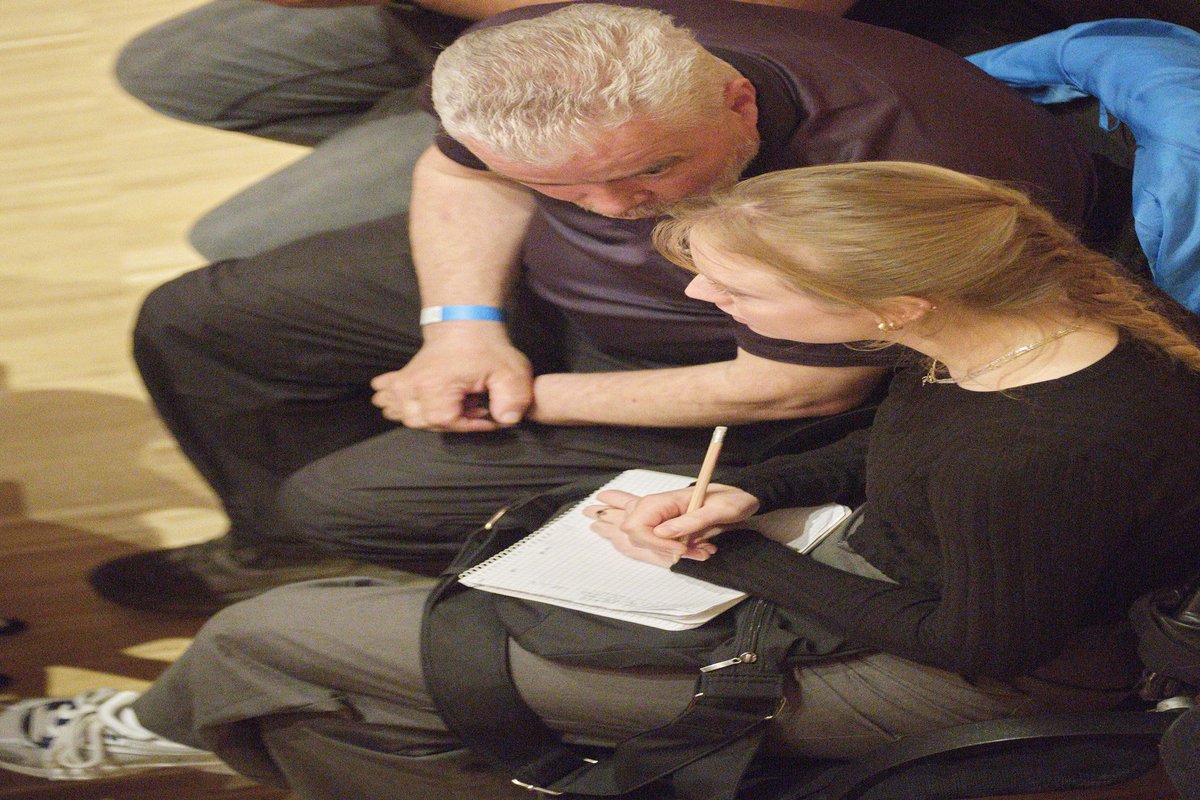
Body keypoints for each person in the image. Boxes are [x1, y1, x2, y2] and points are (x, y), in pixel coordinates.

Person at [6, 162, 1199, 797]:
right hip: (880, 578)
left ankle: (152, 726)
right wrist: (749, 494)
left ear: (898, 305)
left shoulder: (1039, 439)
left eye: (737, 288)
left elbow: (981, 642)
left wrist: (742, 554)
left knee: (270, 634)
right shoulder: (1025, 326)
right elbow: (900, 452)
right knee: (325, 703)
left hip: (950, 679)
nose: (703, 297)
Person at [90, 1, 1099, 615]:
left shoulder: (893, 164)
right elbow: (464, 174)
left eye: (651, 172)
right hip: (568, 290)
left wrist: (524, 396)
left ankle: (381, 558)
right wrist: (461, 329)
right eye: (566, 187)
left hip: (743, 366)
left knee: (345, 498)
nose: (614, 209)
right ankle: (284, 551)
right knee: (201, 320)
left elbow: (800, 388)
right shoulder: (541, 57)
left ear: (736, 101)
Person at [114, 0, 855, 261]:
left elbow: (735, 20)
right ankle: (453, 149)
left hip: (613, 68)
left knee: (237, 239)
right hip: (451, 43)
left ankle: (526, 182)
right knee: (164, 68)